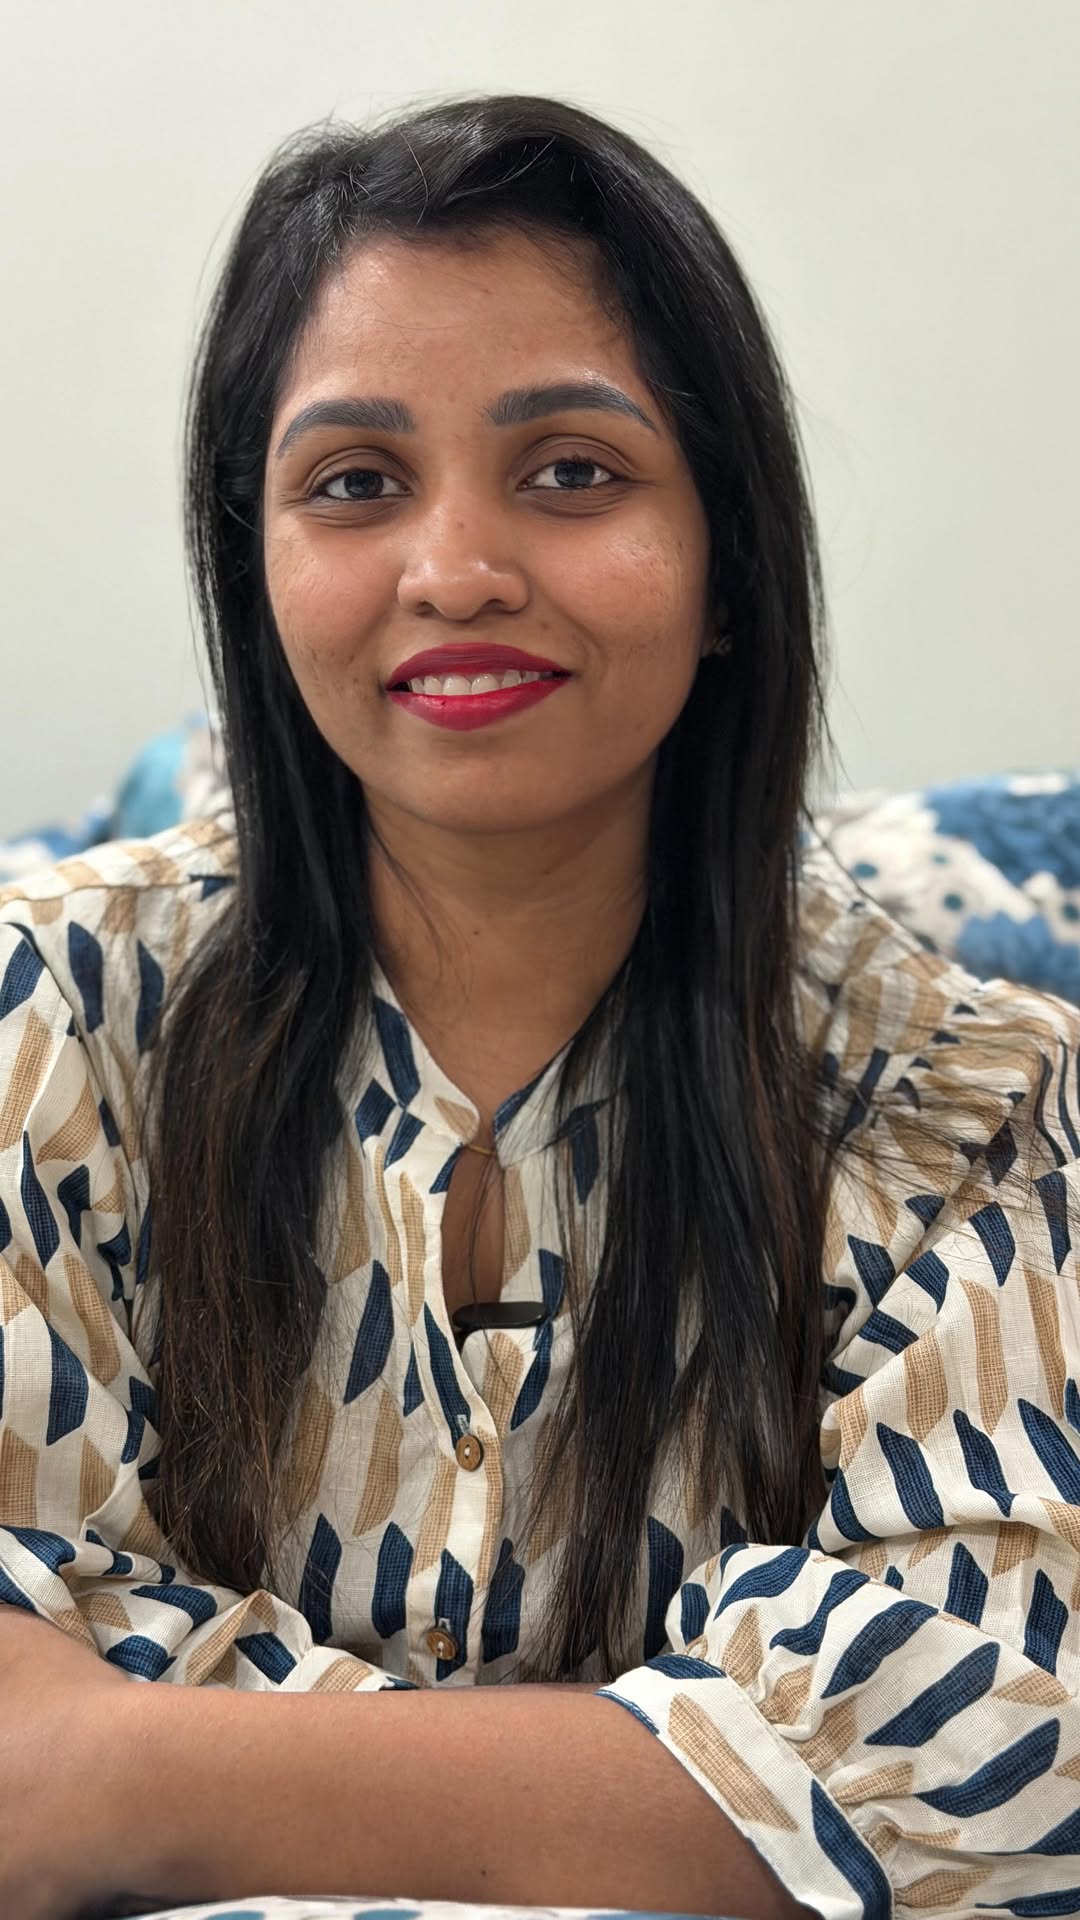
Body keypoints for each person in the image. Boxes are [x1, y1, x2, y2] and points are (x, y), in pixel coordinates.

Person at [0, 90, 1077, 1920]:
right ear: (257, 572)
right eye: (355, 483)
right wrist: (693, 1780)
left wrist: (125, 1767)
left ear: (729, 563)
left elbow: (1010, 1752)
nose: (456, 573)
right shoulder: (52, 1018)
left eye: (572, 472)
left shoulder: (973, 1105)